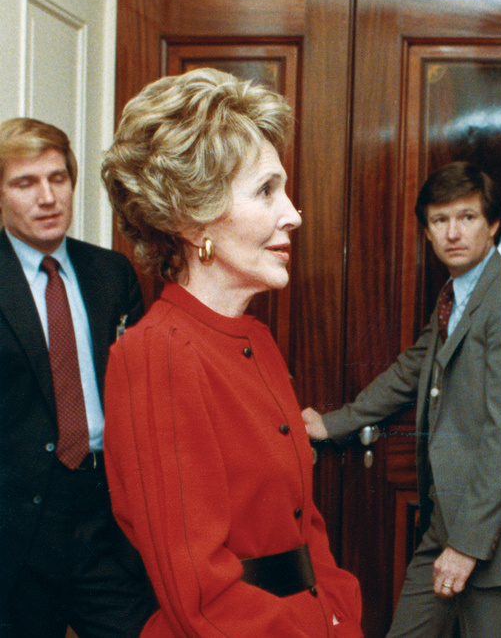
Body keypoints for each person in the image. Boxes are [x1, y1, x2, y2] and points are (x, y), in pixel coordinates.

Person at [100, 68, 362, 636]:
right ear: (193, 218)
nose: (293, 214)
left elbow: (303, 525)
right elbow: (199, 593)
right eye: (267, 190)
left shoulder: (255, 342)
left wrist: (338, 615)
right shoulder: (157, 354)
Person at [304, 161, 501, 638]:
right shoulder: (455, 296)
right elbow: (412, 370)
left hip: (498, 534)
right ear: (426, 232)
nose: (453, 232)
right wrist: (332, 423)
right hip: (447, 520)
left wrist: (467, 546)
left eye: (467, 218)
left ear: (493, 226)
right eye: (439, 220)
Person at [0, 117, 155, 637]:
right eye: (26, 183)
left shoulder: (111, 273)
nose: (48, 197)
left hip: (107, 513)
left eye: (58, 178)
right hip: (16, 527)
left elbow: (144, 396)